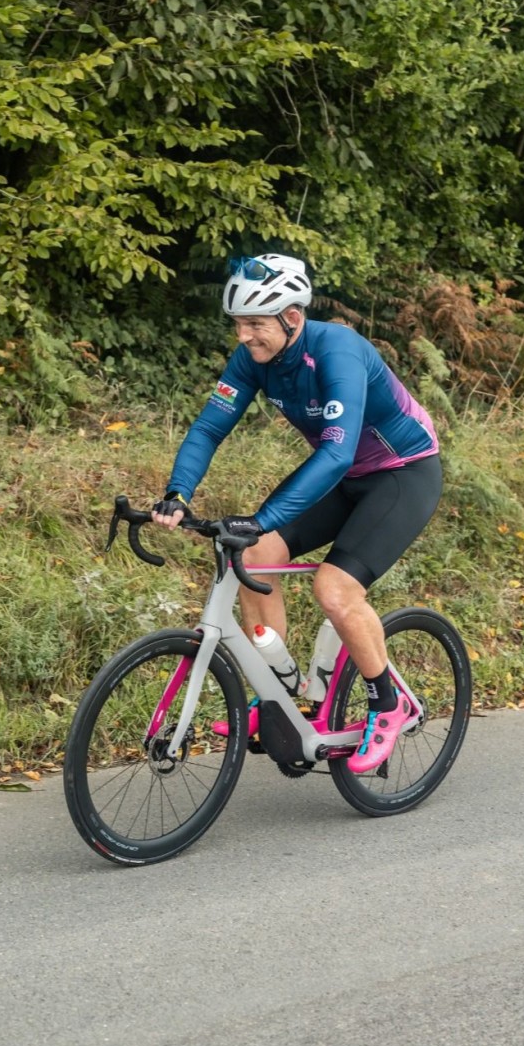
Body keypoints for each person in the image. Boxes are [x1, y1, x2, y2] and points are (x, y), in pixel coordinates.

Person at [151, 253, 443, 773]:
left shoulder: (338, 351)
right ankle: (278, 699)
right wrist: (178, 493)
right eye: (238, 323)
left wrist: (263, 517)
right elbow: (209, 428)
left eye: (255, 323)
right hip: (343, 475)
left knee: (335, 589)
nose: (243, 335)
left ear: (292, 317)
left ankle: (387, 704)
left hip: (401, 474)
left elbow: (336, 452)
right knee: (253, 555)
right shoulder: (252, 359)